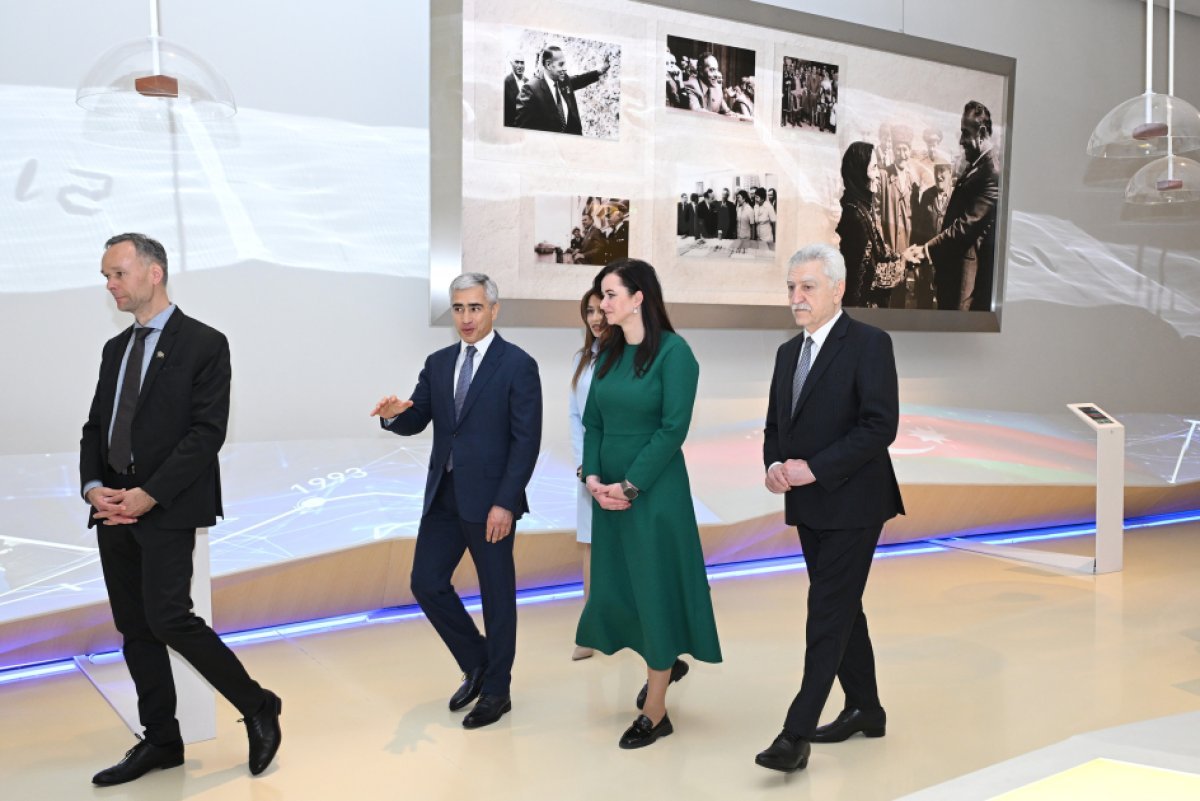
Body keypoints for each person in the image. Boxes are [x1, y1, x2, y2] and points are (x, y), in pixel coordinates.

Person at [80, 233, 282, 786]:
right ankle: (162, 740)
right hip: (113, 507)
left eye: (118, 273)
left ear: (154, 273)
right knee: (134, 626)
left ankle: (258, 705)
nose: (110, 285)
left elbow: (205, 433)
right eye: (106, 276)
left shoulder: (205, 343)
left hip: (166, 504)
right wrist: (94, 486)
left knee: (169, 618)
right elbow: (96, 427)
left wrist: (148, 494)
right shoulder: (115, 350)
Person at [754, 243, 904, 774]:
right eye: (791, 288)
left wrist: (813, 469)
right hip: (809, 506)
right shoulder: (786, 354)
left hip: (855, 503)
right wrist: (775, 465)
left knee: (826, 612)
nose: (797, 297)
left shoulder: (869, 344)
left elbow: (879, 426)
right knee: (842, 608)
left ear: (837, 289)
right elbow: (776, 426)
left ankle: (795, 734)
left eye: (808, 287)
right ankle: (866, 708)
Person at [371, 273, 542, 729]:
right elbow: (418, 418)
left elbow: (526, 442)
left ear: (494, 310)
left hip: (491, 504)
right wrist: (393, 417)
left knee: (496, 596)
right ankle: (478, 661)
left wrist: (505, 503)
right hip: (444, 497)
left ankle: (498, 691)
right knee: (426, 583)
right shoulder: (438, 362)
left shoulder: (517, 364)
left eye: (475, 308)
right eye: (459, 308)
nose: (466, 317)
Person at [576, 259, 722, 749]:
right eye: (602, 295)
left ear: (639, 298)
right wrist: (593, 477)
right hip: (609, 495)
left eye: (611, 294)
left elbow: (672, 430)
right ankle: (664, 664)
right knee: (624, 589)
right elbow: (593, 422)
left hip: (654, 494)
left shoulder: (675, 355)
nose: (603, 304)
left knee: (654, 590)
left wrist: (631, 485)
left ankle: (656, 711)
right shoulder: (609, 353)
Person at [905, 100, 1000, 312]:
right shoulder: (977, 165)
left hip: (965, 279)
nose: (961, 141)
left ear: (981, 132)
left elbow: (966, 227)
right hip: (952, 273)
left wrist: (926, 250)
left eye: (965, 133)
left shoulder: (991, 172)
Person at [568, 290, 608, 660]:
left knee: (626, 549)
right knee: (591, 547)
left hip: (622, 470)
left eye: (601, 310)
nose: (595, 318)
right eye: (589, 311)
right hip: (589, 472)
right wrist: (584, 464)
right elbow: (575, 416)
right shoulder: (583, 359)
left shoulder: (631, 357)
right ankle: (591, 631)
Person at [836, 142, 904, 307]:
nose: (878, 174)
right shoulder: (854, 215)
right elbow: (871, 277)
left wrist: (901, 256)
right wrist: (904, 263)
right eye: (874, 168)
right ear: (860, 173)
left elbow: (879, 252)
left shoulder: (863, 207)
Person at [515, 45, 611, 135]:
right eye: (561, 64)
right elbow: (522, 130)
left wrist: (599, 72)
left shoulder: (563, 80)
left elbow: (579, 80)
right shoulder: (530, 90)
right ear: (548, 65)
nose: (565, 68)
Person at [682, 52, 735, 116]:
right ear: (701, 71)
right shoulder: (691, 85)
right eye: (712, 70)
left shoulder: (717, 88)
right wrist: (719, 116)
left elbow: (728, 112)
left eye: (717, 70)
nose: (716, 75)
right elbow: (695, 110)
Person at [503, 53, 527, 128]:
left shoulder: (528, 82)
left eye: (522, 63)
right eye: (517, 62)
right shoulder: (505, 83)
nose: (520, 66)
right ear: (511, 63)